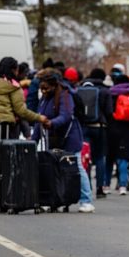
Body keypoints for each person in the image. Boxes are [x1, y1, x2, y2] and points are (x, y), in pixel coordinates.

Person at [32, 69, 95, 213]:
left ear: (54, 85)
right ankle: (57, 199)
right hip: (54, 138)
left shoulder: (65, 95)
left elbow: (66, 115)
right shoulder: (45, 98)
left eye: (46, 88)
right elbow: (39, 119)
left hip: (70, 137)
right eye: (41, 88)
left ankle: (86, 201)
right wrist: (33, 140)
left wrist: (51, 123)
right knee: (54, 169)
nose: (43, 91)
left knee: (77, 166)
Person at [0, 57, 48, 157]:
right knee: (5, 160)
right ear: (13, 70)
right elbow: (21, 111)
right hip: (3, 126)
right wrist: (39, 118)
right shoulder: (13, 86)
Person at [81, 68, 114, 198]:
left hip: (84, 127)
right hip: (99, 127)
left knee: (86, 157)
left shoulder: (81, 89)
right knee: (100, 157)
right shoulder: (105, 91)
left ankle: (87, 186)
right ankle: (100, 188)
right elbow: (109, 112)